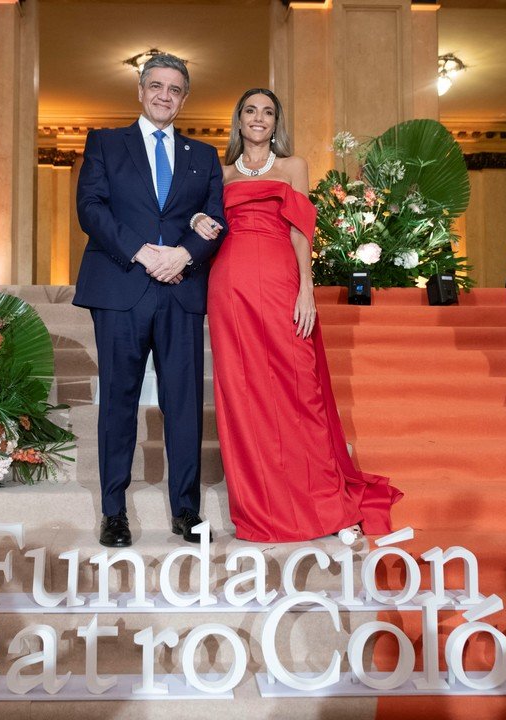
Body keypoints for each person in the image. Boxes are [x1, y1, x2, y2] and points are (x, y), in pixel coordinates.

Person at [197, 88, 401, 543]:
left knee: (298, 386)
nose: (259, 118)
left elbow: (300, 230)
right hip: (228, 285)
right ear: (239, 119)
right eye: (250, 110)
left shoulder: (293, 167)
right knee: (243, 391)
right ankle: (259, 505)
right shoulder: (220, 171)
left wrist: (306, 288)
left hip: (279, 279)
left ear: (276, 123)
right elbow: (204, 224)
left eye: (268, 112)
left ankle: (316, 498)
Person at [73, 54, 226, 547]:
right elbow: (90, 208)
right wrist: (140, 252)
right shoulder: (105, 143)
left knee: (184, 403)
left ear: (185, 98)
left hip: (180, 290)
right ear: (140, 90)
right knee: (118, 400)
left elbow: (214, 220)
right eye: (156, 86)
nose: (164, 95)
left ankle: (186, 511)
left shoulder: (204, 154)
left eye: (175, 89)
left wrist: (183, 254)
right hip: (121, 286)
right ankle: (113, 512)